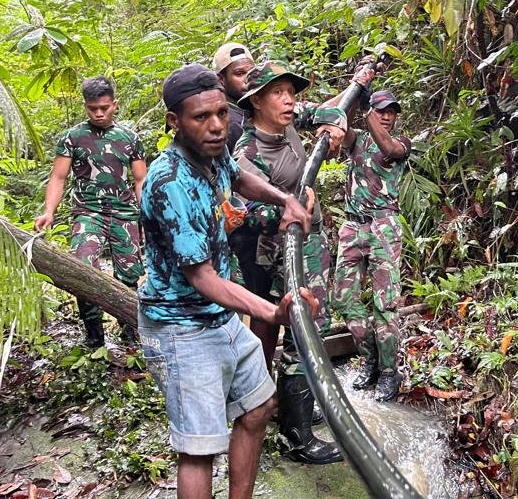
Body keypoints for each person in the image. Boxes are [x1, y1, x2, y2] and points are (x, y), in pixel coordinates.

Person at [138, 63, 320, 499]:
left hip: (219, 317)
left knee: (258, 407)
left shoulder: (213, 152)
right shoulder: (169, 184)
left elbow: (238, 178)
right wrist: (271, 311)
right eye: (201, 117)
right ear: (174, 122)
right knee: (200, 449)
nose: (217, 125)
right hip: (181, 326)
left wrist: (284, 199)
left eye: (221, 113)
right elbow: (201, 278)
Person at [232, 60, 359, 465]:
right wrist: (285, 210)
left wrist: (333, 126)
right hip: (280, 255)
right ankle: (297, 437)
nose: (288, 100)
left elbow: (328, 110)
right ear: (255, 102)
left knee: (311, 329)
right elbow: (243, 211)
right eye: (277, 93)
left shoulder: (289, 121)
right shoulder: (247, 153)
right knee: (302, 332)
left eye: (291, 91)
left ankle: (295, 410)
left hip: (311, 245)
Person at [34, 76, 145, 348]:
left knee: (130, 274)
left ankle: (130, 331)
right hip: (88, 212)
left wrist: (147, 213)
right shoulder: (73, 137)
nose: (98, 113)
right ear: (85, 106)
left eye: (104, 108)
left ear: (114, 105)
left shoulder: (129, 138)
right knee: (83, 270)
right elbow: (58, 177)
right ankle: (94, 335)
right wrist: (49, 211)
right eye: (92, 108)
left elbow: (140, 179)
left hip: (124, 213)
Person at [333, 89, 412, 402]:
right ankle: (371, 357)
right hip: (353, 226)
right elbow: (342, 123)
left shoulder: (400, 145)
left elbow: (387, 145)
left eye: (392, 111)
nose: (388, 116)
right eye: (381, 110)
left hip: (384, 227)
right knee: (343, 298)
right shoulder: (358, 142)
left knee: (385, 303)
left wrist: (369, 115)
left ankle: (390, 371)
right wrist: (356, 91)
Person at [210, 42, 255, 152]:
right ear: (221, 79)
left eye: (251, 72)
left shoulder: (255, 105)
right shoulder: (227, 122)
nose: (247, 79)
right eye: (239, 74)